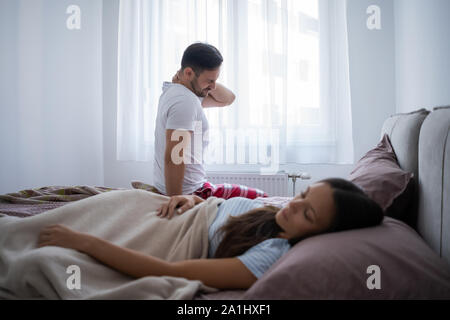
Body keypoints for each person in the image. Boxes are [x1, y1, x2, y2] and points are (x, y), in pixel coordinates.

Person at [38, 178, 384, 290]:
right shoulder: (274, 211)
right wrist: (192, 197)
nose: (293, 205)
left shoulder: (272, 255)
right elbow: (222, 200)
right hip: (168, 210)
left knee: (39, 250)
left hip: (172, 236)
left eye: (307, 213)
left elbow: (169, 272)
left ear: (321, 234)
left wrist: (83, 241)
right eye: (303, 194)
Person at [153, 42, 268, 200]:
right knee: (262, 198)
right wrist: (177, 200)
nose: (213, 87)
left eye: (215, 80)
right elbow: (175, 156)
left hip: (197, 185)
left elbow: (228, 99)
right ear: (188, 73)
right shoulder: (184, 101)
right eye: (209, 81)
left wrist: (207, 81)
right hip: (192, 192)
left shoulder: (180, 93)